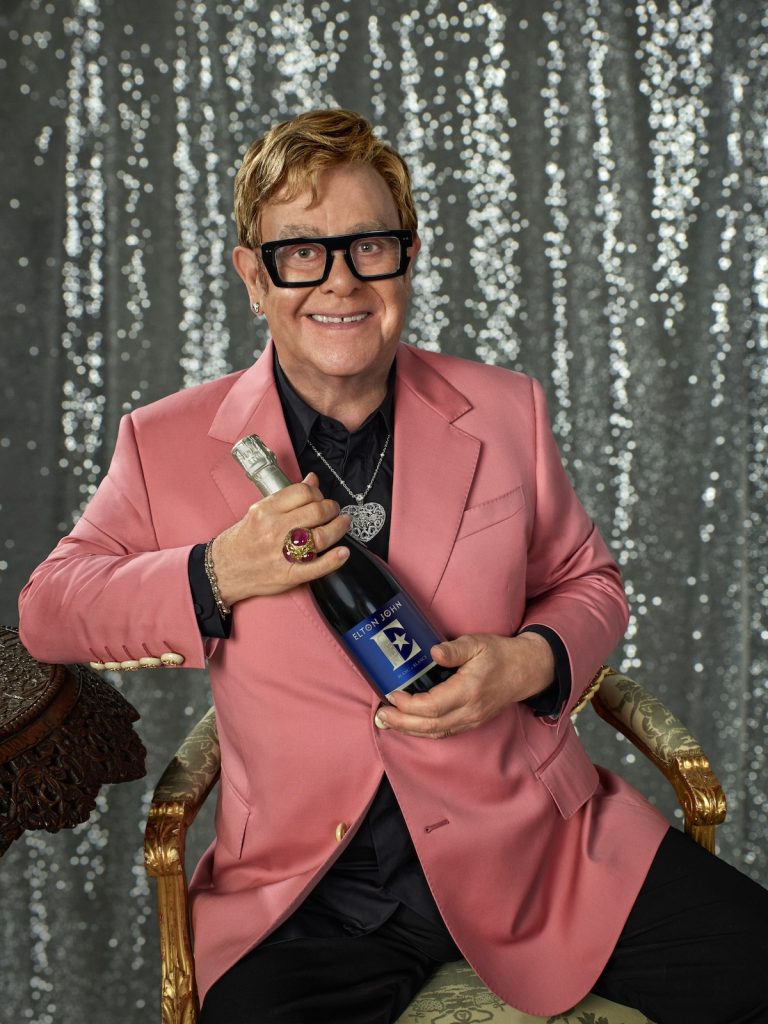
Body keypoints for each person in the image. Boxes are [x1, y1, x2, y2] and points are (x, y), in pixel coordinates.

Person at [19, 109, 768, 1024]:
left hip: (540, 855)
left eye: (369, 246)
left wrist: (526, 662)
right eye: (302, 252)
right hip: (307, 899)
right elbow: (49, 610)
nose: (340, 280)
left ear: (407, 259)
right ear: (253, 275)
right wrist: (216, 572)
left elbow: (589, 582)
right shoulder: (162, 442)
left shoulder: (505, 409)